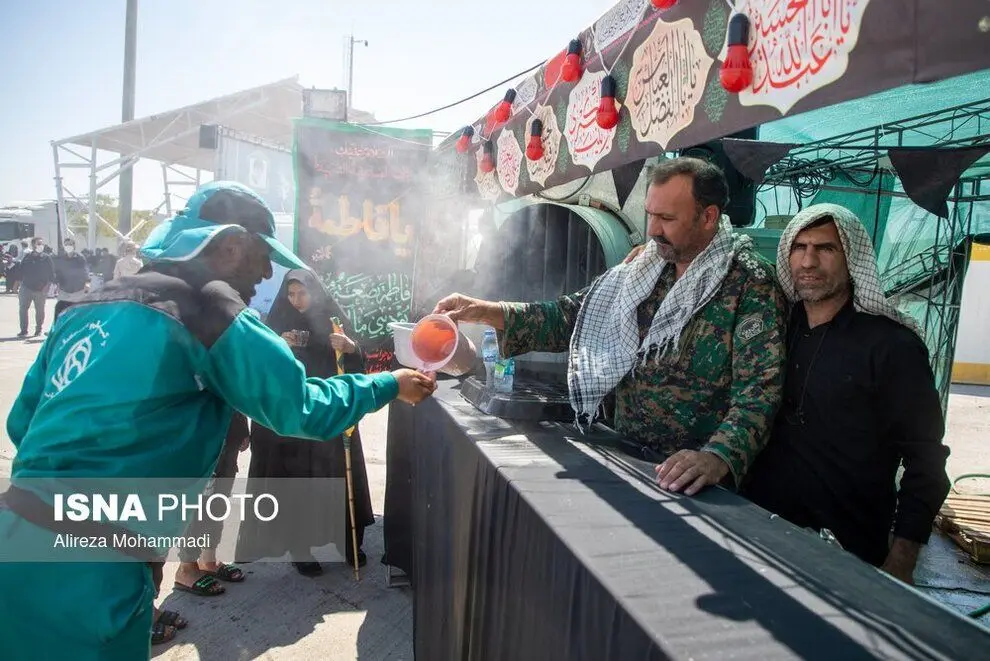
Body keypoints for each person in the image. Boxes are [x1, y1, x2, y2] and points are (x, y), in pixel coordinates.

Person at [0, 181, 437, 660]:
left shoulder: (85, 304)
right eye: (262, 256)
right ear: (230, 246)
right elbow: (300, 408)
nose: (268, 271)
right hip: (94, 571)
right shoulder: (209, 310)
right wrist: (390, 384)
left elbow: (23, 424)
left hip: (16, 536)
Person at [435, 157, 787, 495]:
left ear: (709, 217)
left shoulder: (749, 284)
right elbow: (571, 316)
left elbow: (759, 393)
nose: (653, 230)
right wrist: (483, 310)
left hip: (689, 480)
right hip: (624, 455)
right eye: (650, 215)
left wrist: (717, 457)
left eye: (666, 218)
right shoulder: (646, 267)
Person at [740, 203, 950, 584]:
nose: (808, 261)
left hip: (849, 549)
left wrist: (902, 561)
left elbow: (926, 461)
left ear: (852, 258)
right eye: (799, 248)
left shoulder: (892, 347)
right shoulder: (773, 330)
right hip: (761, 531)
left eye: (825, 248)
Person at [235, 269, 376, 576]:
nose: (297, 300)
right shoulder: (275, 323)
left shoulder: (332, 320)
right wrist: (279, 344)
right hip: (294, 416)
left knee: (338, 475)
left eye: (303, 293)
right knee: (298, 480)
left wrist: (350, 348)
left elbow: (357, 365)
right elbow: (259, 368)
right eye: (291, 294)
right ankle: (301, 547)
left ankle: (349, 541)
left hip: (329, 409)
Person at [16, 236, 55, 337]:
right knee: (23, 309)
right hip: (26, 287)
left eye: (41, 244)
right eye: (38, 244)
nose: (40, 246)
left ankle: (38, 329)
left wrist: (47, 286)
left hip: (41, 289)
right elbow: (21, 271)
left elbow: (52, 274)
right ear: (33, 245)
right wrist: (18, 285)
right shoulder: (27, 257)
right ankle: (24, 330)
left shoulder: (46, 258)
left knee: (40, 310)